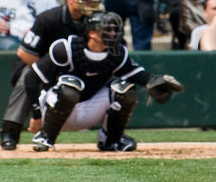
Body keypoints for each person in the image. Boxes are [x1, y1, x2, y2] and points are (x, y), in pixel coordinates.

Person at [25, 10, 184, 152]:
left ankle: (111, 141)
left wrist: (153, 80)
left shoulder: (117, 53)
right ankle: (45, 137)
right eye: (107, 30)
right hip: (55, 107)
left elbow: (137, 75)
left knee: (125, 89)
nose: (113, 33)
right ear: (92, 33)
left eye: (115, 29)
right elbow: (31, 78)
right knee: (70, 86)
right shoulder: (65, 48)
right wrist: (36, 115)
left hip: (89, 109)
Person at [0, 0, 102, 150]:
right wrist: (47, 72)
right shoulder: (48, 19)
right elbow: (24, 53)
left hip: (77, 68)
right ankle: (10, 130)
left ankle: (114, 134)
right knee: (27, 78)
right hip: (41, 65)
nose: (90, 3)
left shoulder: (94, 21)